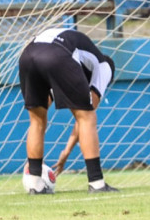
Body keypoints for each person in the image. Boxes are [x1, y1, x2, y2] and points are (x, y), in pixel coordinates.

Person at [18, 28, 117, 194]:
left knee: (37, 120)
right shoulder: (104, 66)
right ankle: (97, 183)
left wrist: (38, 158)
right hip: (57, 54)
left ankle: (35, 183)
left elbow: (46, 101)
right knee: (88, 117)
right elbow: (87, 114)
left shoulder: (78, 59)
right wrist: (68, 150)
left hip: (28, 54)